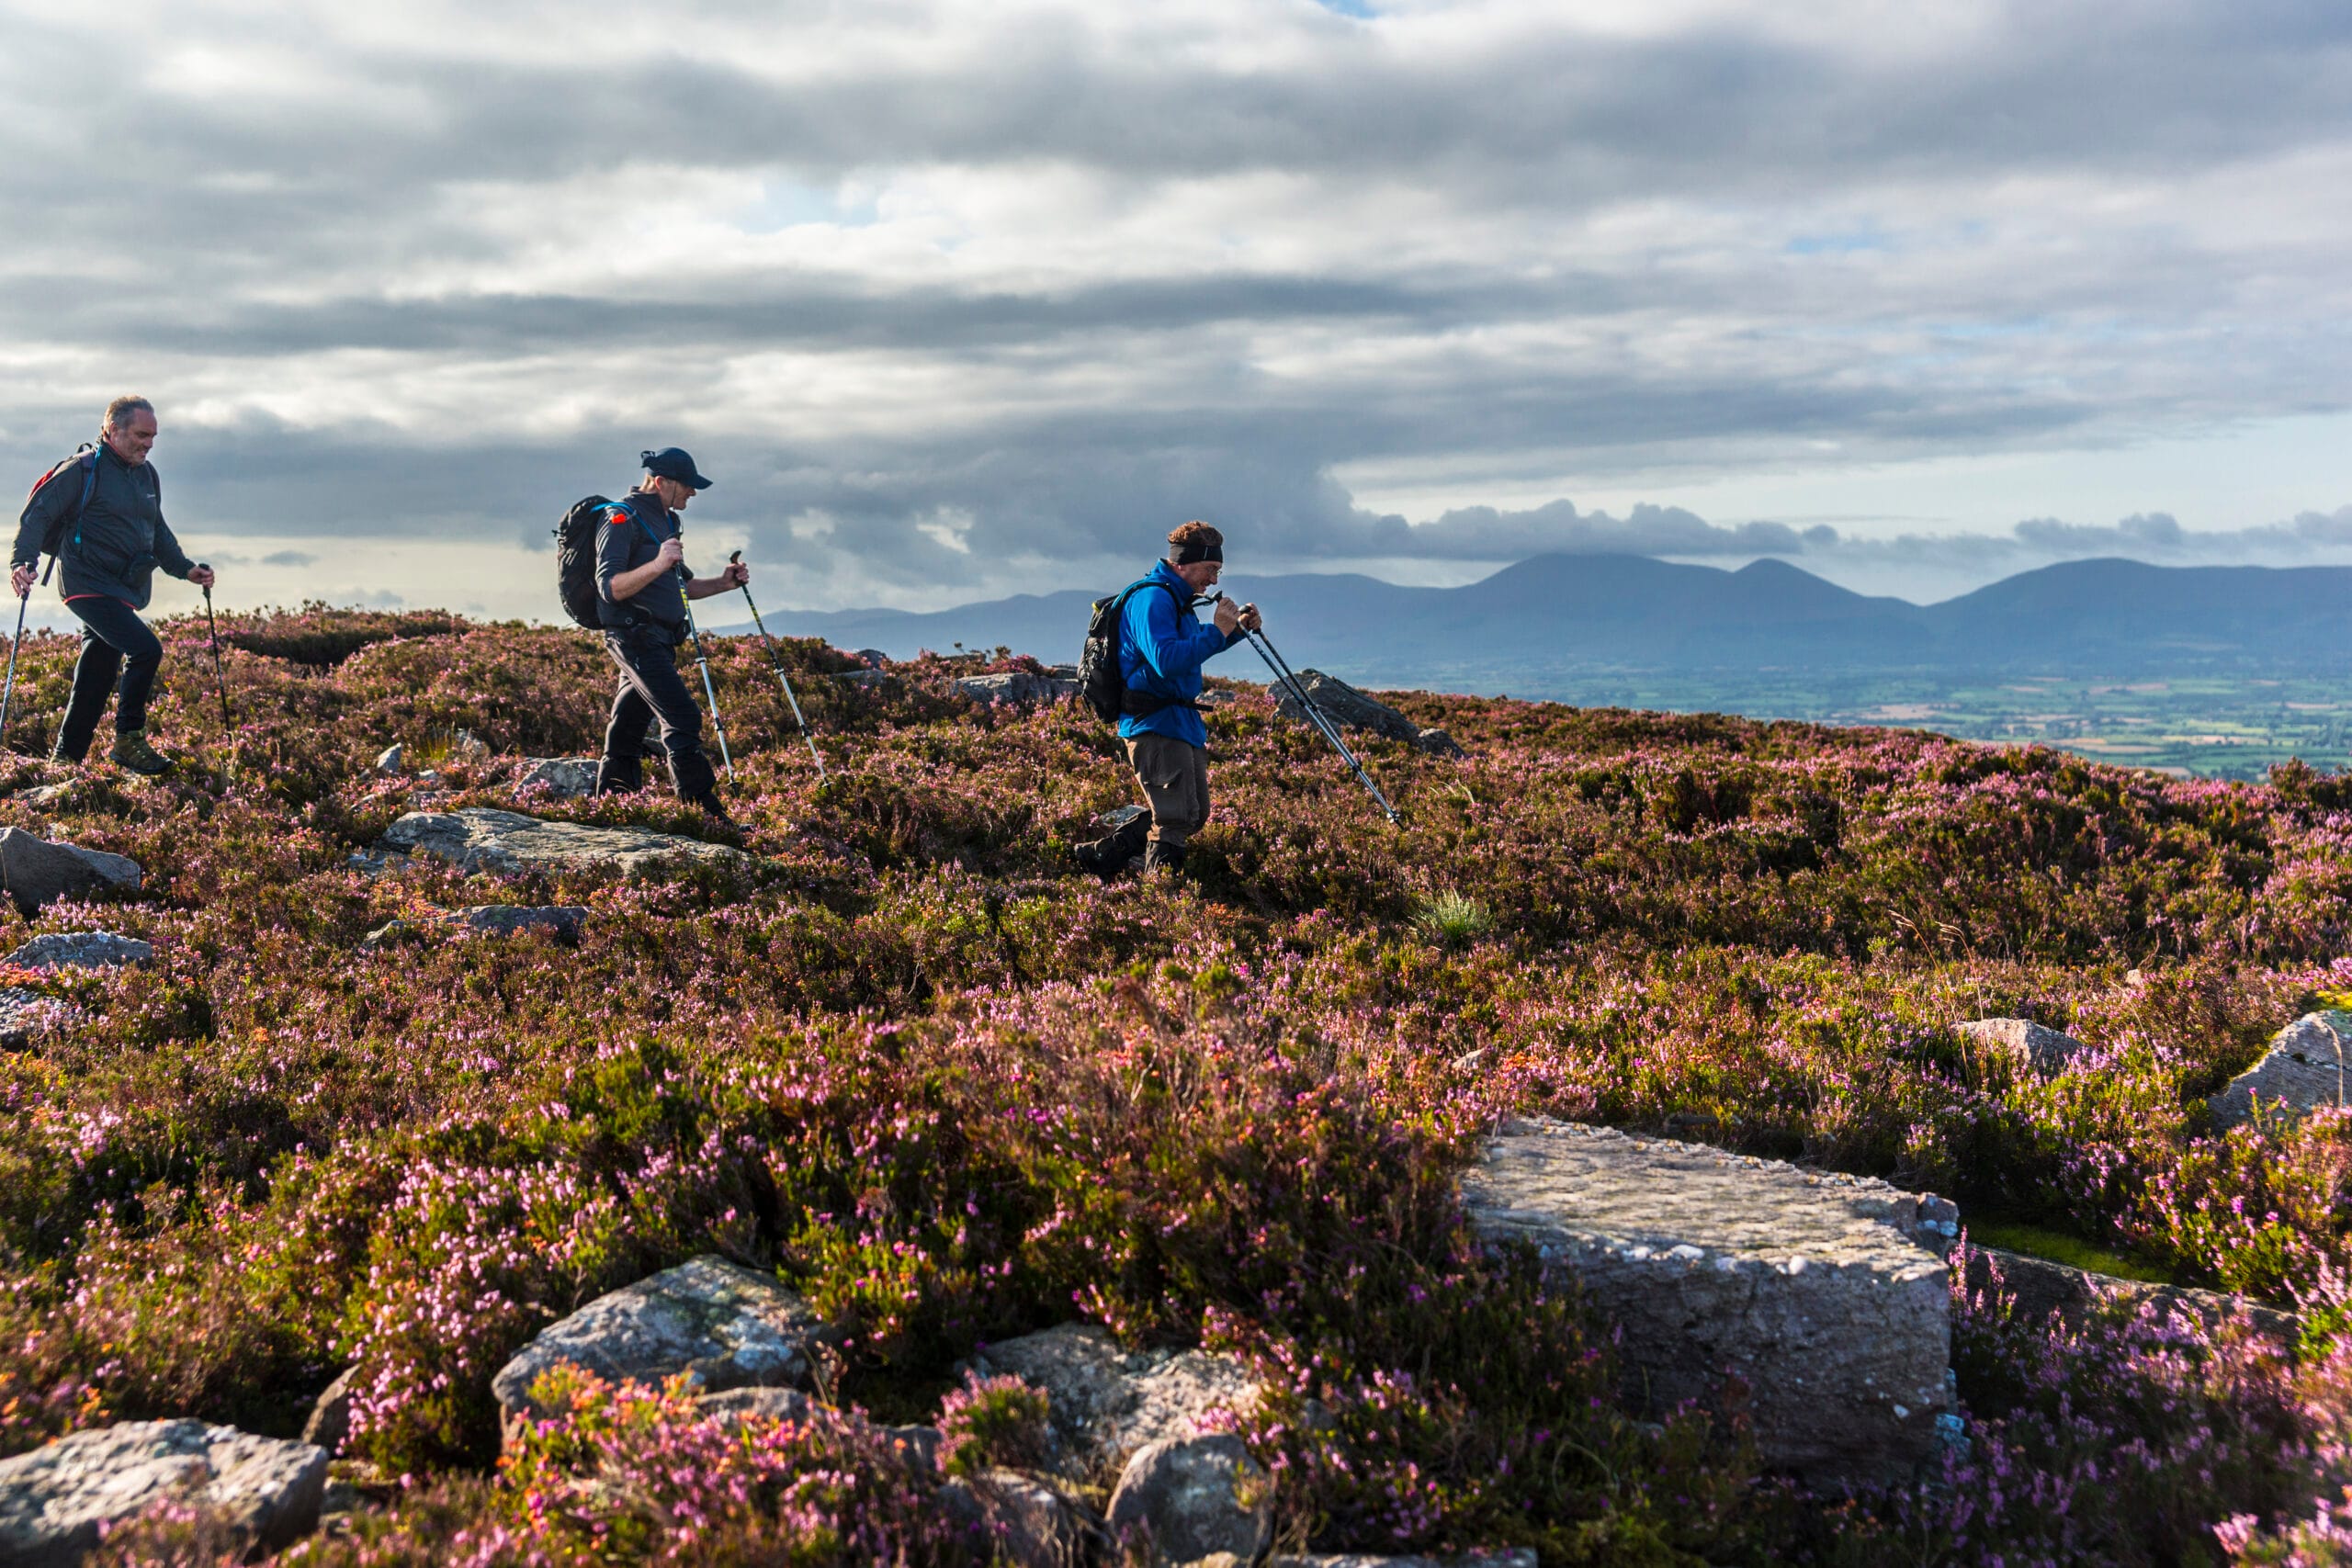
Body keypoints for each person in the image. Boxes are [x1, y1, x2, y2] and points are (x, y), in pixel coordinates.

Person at [9, 396, 216, 776]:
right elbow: (37, 516)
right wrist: (23, 563)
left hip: (124, 588)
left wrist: (186, 570)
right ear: (112, 430)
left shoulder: (147, 475)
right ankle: (128, 740)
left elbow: (157, 532)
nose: (148, 444)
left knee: (97, 671)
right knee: (145, 649)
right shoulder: (82, 470)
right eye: (141, 435)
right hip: (85, 583)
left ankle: (65, 759)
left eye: (153, 437)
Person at [1076, 520, 1259, 879]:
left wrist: (1234, 631)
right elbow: (1167, 660)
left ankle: (1102, 856)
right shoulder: (1152, 598)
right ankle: (1162, 903)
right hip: (1153, 723)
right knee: (1175, 818)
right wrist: (1219, 629)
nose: (1214, 580)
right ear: (1183, 563)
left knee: (1194, 814)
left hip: (1179, 722)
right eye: (1210, 569)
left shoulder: (1178, 601)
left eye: (1218, 571)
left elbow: (1189, 652)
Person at [593, 446, 748, 816]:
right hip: (633, 636)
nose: (693, 492)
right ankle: (704, 813)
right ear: (661, 482)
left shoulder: (667, 520)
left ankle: (614, 806)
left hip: (661, 639)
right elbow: (609, 587)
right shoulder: (620, 518)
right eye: (688, 486)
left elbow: (682, 586)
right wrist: (660, 561)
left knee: (628, 725)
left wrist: (724, 584)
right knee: (682, 717)